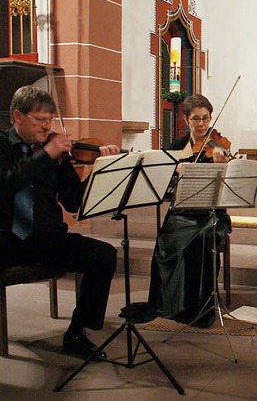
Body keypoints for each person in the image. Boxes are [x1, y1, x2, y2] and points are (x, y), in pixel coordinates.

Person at [0, 86, 119, 359]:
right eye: (40, 120)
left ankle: (77, 333)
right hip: (6, 238)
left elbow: (75, 203)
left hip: (46, 237)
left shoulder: (56, 155)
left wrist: (100, 170)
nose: (47, 127)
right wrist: (47, 153)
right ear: (17, 116)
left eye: (50, 120)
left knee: (104, 255)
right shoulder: (3, 147)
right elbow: (7, 183)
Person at [148, 94, 232, 328]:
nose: (202, 124)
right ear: (186, 120)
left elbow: (228, 183)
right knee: (167, 240)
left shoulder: (218, 146)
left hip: (211, 212)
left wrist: (222, 166)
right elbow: (163, 184)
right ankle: (170, 303)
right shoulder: (175, 148)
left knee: (201, 238)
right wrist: (171, 172)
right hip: (182, 211)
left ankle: (198, 306)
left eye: (206, 118)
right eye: (196, 119)